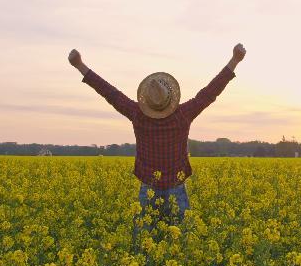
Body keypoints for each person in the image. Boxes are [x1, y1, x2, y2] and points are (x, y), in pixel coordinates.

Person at [68, 43, 245, 234]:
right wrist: (234, 60)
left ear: (148, 101)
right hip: (177, 189)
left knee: (143, 245)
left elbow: (110, 93)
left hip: (148, 189)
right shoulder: (182, 115)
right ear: (171, 98)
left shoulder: (138, 114)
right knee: (182, 244)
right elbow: (210, 93)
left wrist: (80, 65)